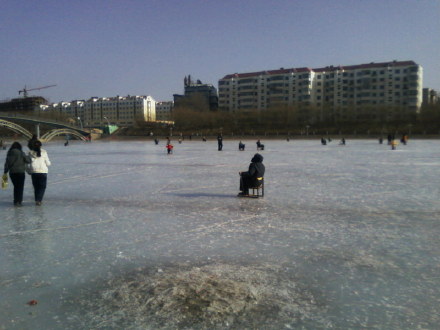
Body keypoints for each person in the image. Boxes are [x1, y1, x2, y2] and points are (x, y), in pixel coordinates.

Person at [27, 140, 51, 205]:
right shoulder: (44, 152)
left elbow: (28, 162)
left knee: (36, 187)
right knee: (42, 187)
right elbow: (48, 163)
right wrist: (48, 163)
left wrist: (29, 170)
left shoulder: (30, 153)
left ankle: (37, 199)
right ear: (40, 145)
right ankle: (39, 200)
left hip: (34, 171)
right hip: (43, 171)